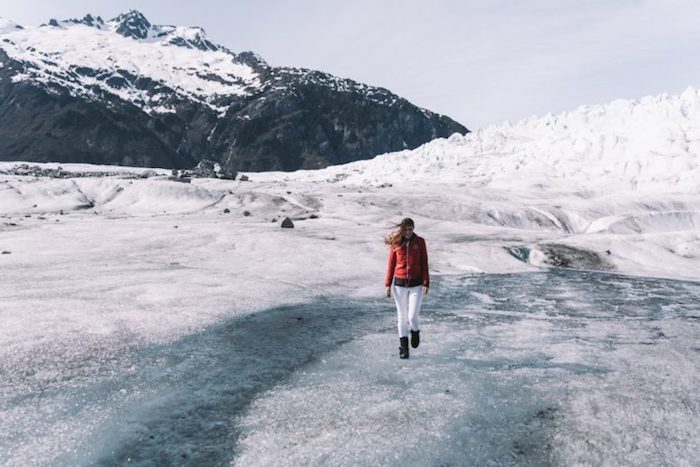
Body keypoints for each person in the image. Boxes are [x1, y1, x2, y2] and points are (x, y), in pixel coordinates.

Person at [384, 217, 429, 359]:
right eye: (406, 229)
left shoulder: (420, 242)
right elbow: (391, 264)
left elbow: (424, 262)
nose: (409, 232)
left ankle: (415, 331)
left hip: (416, 284)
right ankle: (404, 348)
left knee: (412, 316)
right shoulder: (396, 243)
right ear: (402, 230)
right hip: (399, 284)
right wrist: (387, 284)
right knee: (402, 317)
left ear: (413, 229)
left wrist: (426, 282)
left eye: (411, 229)